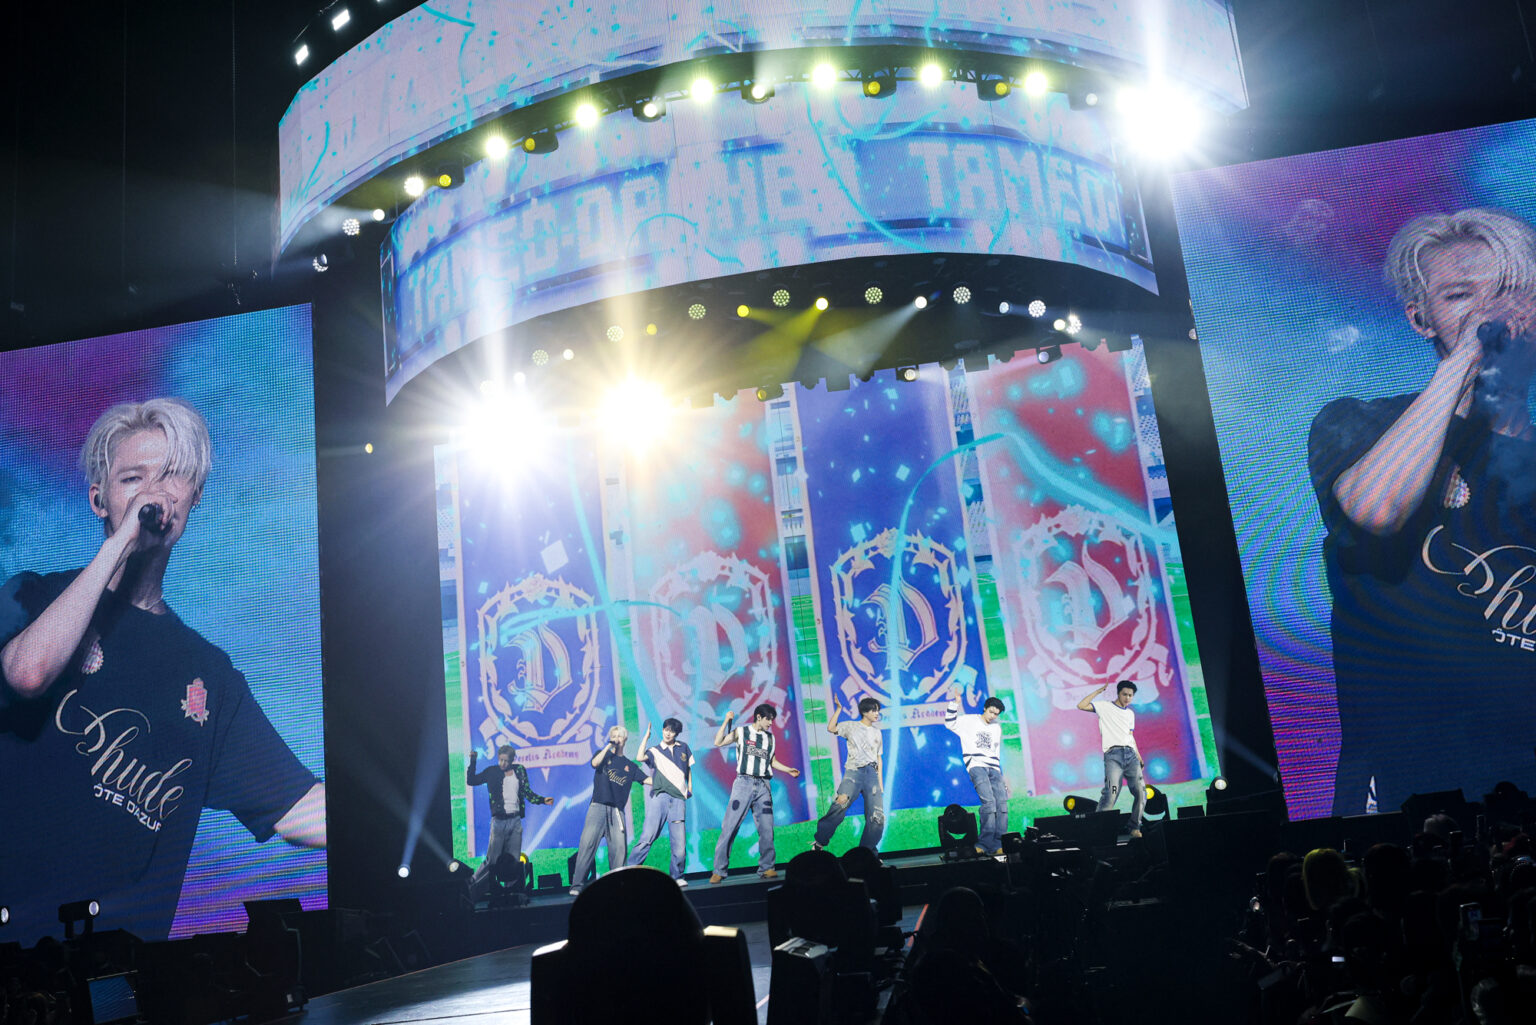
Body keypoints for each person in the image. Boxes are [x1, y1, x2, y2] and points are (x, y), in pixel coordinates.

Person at [0, 398, 325, 942]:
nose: (154, 493)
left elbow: (300, 810)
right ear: (99, 500)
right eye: (133, 478)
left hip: (114, 968)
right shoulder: (33, 595)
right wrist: (121, 543)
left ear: (195, 496)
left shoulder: (209, 676)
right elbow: (28, 673)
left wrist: (398, 817)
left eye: (172, 475)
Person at [1306, 208, 1536, 815]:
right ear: (1420, 318)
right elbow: (1377, 509)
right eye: (1461, 295)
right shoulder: (1358, 423)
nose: (1492, 311)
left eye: (1510, 291)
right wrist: (1464, 360)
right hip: (1410, 789)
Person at [709, 703, 800, 883]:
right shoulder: (741, 732)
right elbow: (718, 742)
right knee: (730, 827)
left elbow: (772, 761)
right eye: (768, 720)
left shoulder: (770, 738)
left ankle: (767, 867)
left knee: (766, 828)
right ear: (759, 717)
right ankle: (719, 870)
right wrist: (726, 721)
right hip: (743, 783)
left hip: (764, 785)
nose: (771, 723)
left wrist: (788, 769)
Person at [569, 724, 648, 895]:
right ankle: (576, 885)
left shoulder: (630, 766)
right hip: (597, 807)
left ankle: (618, 886)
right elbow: (594, 763)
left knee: (619, 849)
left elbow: (647, 780)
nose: (616, 739)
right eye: (614, 736)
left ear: (625, 739)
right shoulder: (603, 755)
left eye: (619, 736)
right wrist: (608, 747)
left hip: (617, 812)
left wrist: (669, 781)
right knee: (587, 845)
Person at [465, 742, 550, 897]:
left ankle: (511, 893)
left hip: (515, 821)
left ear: (512, 760)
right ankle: (473, 884)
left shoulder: (520, 770)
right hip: (498, 822)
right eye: (501, 760)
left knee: (513, 861)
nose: (503, 763)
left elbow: (527, 792)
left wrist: (542, 800)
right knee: (493, 860)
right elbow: (471, 780)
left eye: (506, 761)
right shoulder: (491, 771)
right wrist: (473, 761)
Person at [810, 696, 884, 852]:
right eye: (873, 710)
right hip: (854, 772)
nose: (877, 713)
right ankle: (820, 842)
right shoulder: (851, 726)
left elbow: (878, 758)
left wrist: (880, 783)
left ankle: (868, 853)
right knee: (840, 804)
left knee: (877, 817)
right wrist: (839, 709)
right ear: (864, 712)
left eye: (878, 710)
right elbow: (831, 728)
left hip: (872, 774)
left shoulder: (877, 732)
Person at [626, 717, 694, 884]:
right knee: (647, 838)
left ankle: (677, 876)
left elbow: (688, 769)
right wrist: (646, 737)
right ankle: (628, 872)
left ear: (677, 733)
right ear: (663, 730)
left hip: (678, 800)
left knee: (679, 844)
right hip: (660, 797)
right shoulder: (655, 751)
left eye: (672, 731)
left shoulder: (683, 747)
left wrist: (690, 788)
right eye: (666, 730)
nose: (668, 733)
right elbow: (639, 757)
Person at [1078, 679, 1145, 838]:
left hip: (1131, 756)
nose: (1127, 698)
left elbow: (1130, 736)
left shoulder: (1130, 714)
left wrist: (1138, 756)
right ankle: (1099, 830)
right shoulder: (1104, 706)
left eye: (1130, 695)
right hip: (1113, 756)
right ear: (1118, 693)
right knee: (1111, 794)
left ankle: (1134, 827)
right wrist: (1098, 692)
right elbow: (1081, 705)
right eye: (1124, 694)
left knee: (1141, 792)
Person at [944, 687, 1007, 855]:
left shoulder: (996, 728)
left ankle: (999, 843)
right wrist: (955, 703)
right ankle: (985, 843)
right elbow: (949, 723)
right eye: (991, 712)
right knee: (989, 803)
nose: (993, 716)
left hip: (994, 767)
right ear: (985, 708)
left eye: (996, 714)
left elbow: (996, 751)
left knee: (1002, 804)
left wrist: (1000, 774)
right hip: (976, 765)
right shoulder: (969, 720)